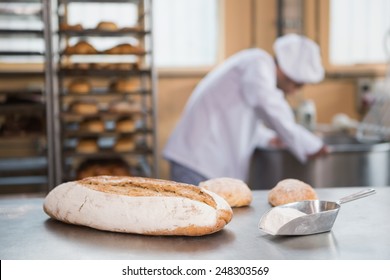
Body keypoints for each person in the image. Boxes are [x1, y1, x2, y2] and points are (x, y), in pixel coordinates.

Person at [163, 33, 328, 185]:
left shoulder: (255, 68)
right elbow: (269, 105)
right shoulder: (258, 63)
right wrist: (310, 145)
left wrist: (268, 138)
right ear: (288, 72)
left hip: (202, 161)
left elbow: (240, 118)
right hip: (197, 162)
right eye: (297, 85)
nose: (294, 91)